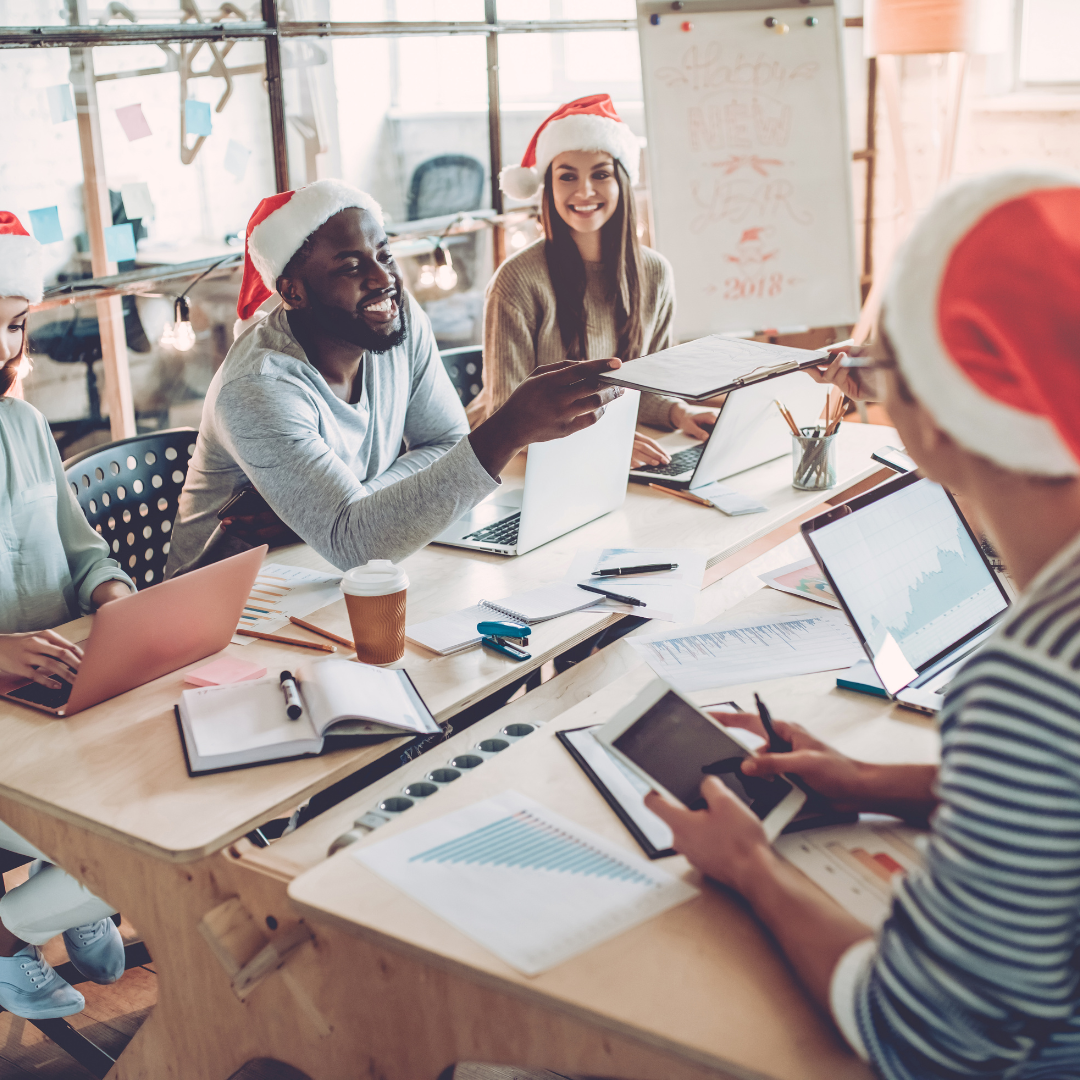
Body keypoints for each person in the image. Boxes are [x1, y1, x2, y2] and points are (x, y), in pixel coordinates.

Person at [645, 169, 1080, 1079]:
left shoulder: (1030, 679)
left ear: (933, 416)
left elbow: (924, 1041)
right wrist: (876, 778)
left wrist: (751, 867)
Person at [167, 180, 626, 574]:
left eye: (384, 254)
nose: (382, 277)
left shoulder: (394, 319)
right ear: (293, 292)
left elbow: (446, 441)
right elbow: (358, 544)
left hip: (325, 570)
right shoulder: (258, 388)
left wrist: (356, 508)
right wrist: (508, 429)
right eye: (350, 266)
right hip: (231, 611)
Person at [0, 212, 135, 1018]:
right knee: (127, 840)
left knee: (180, 792)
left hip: (66, 693)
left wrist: (114, 597)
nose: (1, 346)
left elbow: (83, 552)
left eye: (12, 323)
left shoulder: (23, 425)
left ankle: (73, 902)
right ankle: (17, 936)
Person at [466, 94, 717, 469]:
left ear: (622, 184)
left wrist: (681, 413)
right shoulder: (516, 280)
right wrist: (603, 442)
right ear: (548, 187)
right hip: (518, 463)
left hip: (606, 454)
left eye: (600, 174)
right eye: (567, 176)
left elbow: (643, 388)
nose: (584, 191)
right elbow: (507, 416)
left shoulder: (655, 273)